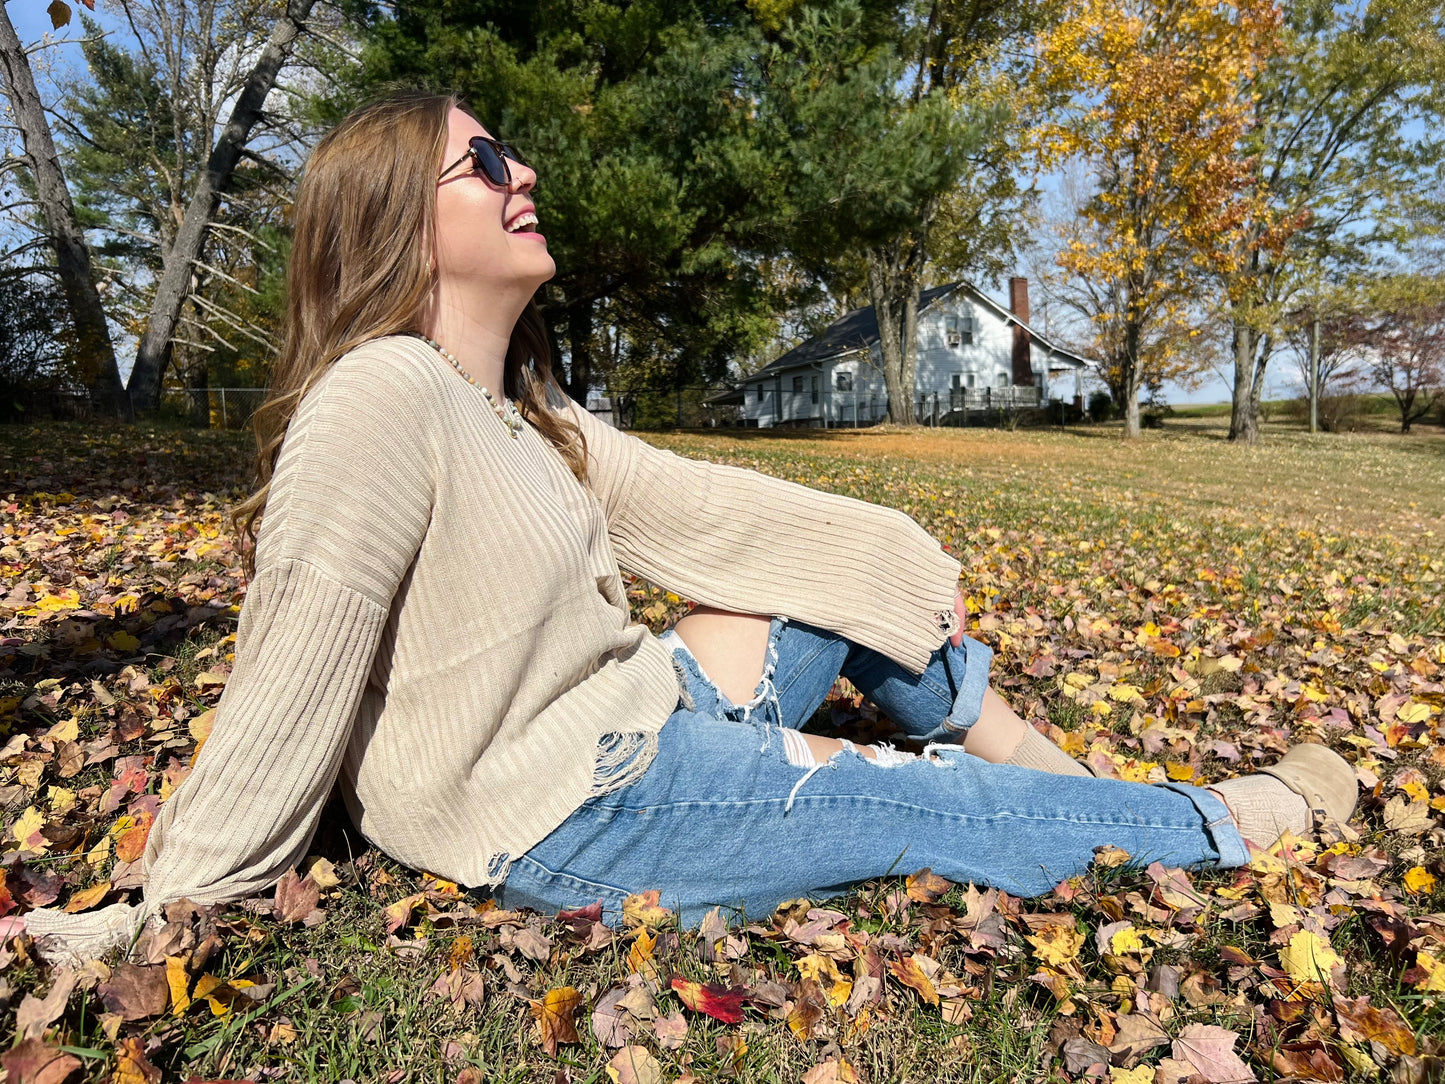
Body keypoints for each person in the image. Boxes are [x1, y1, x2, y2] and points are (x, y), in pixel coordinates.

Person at [26, 92, 1356, 963]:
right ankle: (1220, 823)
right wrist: (174, 907)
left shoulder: (524, 413)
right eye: (480, 160)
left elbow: (715, 512)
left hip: (640, 713)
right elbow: (293, 657)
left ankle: (1049, 770)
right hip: (560, 808)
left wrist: (890, 557)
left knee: (806, 580)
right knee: (930, 806)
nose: (519, 169)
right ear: (397, 225)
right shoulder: (381, 399)